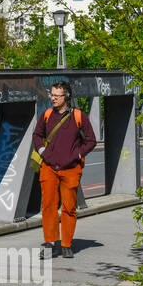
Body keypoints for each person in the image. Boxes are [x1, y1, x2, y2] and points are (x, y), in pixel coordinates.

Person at [33, 81, 97, 259]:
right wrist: (42, 151)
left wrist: (77, 155)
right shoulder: (46, 115)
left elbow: (91, 141)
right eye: (52, 95)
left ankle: (67, 244)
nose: (53, 98)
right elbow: (37, 135)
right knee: (48, 206)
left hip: (71, 169)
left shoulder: (78, 116)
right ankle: (50, 243)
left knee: (69, 208)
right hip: (49, 168)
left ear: (66, 97)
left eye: (57, 95)